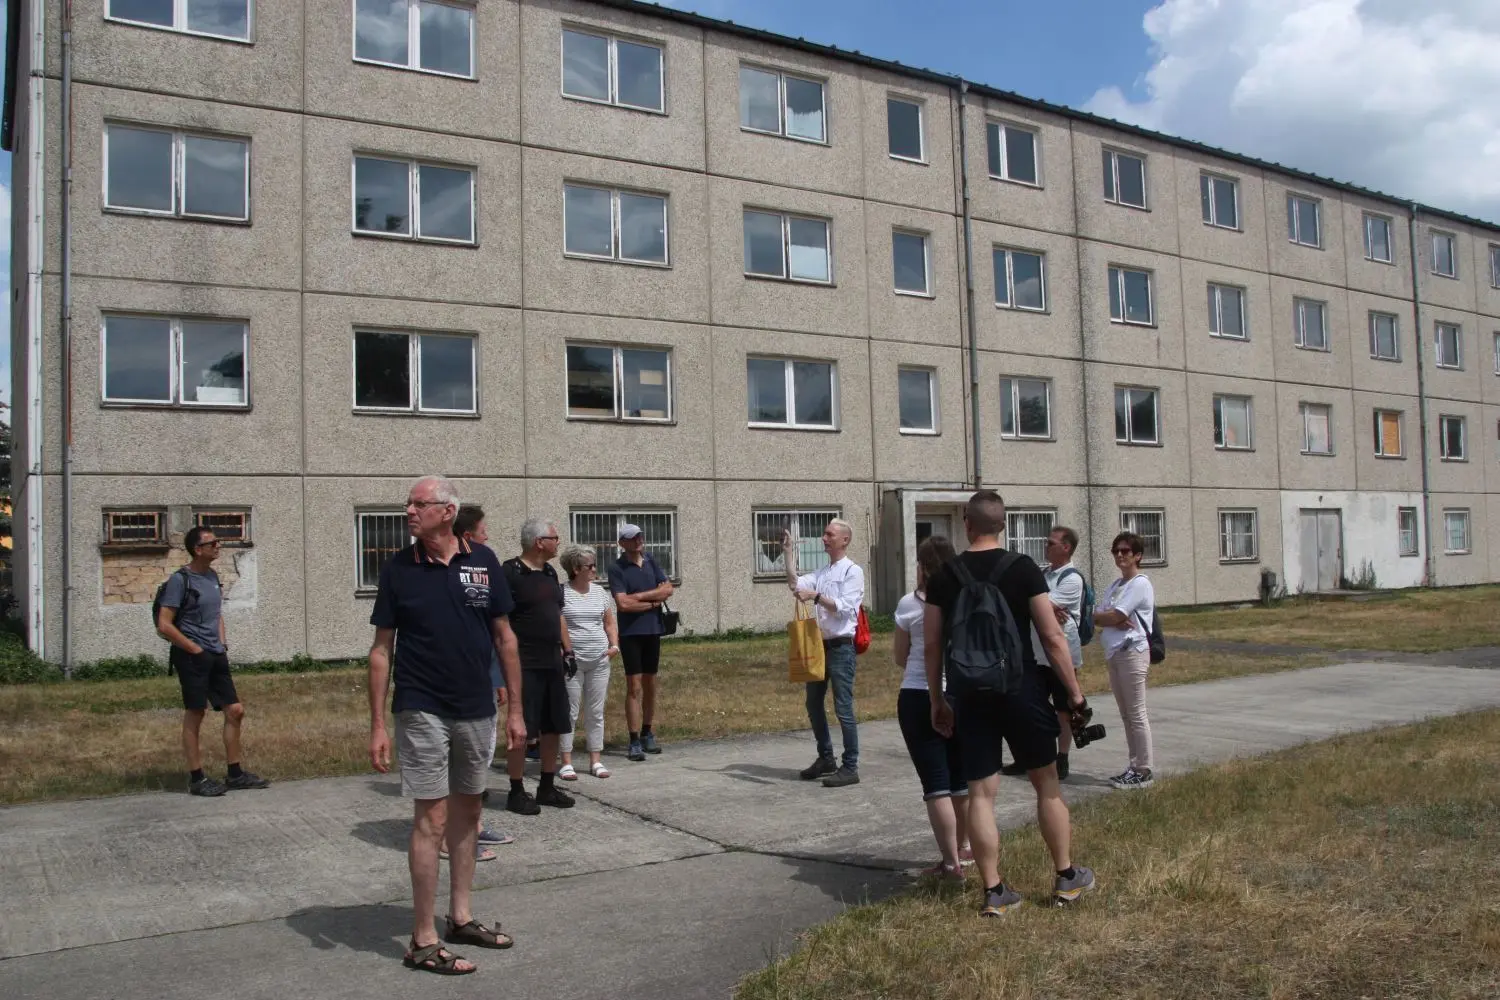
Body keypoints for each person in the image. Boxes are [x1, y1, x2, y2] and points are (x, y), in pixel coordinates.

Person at [367, 475, 527, 976]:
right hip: (422, 705)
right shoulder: (399, 568)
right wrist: (377, 724)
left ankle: (460, 918)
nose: (409, 511)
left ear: (448, 511)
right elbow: (381, 650)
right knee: (431, 818)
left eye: (419, 503)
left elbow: (505, 638)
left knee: (469, 813)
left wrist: (516, 710)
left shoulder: (484, 561)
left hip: (476, 705)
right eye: (408, 504)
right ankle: (422, 939)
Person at [923, 490, 1096, 915]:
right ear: (1003, 525)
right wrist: (1074, 693)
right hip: (1021, 687)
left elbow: (931, 644)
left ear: (967, 523)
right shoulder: (1022, 569)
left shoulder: (945, 575)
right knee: (1046, 783)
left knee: (981, 794)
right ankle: (1066, 877)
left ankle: (995, 891)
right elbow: (1052, 637)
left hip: (969, 692)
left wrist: (937, 699)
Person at [156, 524, 269, 797]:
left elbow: (216, 614)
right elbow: (164, 624)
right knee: (196, 712)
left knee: (235, 710)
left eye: (218, 542)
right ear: (198, 549)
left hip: (215, 653)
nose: (218, 547)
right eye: (213, 543)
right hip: (192, 656)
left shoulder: (212, 576)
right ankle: (197, 779)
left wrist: (221, 642)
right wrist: (194, 649)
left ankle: (235, 774)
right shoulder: (180, 580)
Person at [894, 535, 970, 880]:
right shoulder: (964, 597)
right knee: (960, 778)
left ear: (922, 567)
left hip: (918, 692)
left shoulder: (910, 604)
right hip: (960, 691)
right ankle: (965, 847)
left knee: (936, 783)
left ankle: (950, 863)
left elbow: (901, 656)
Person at [451, 505, 514, 858]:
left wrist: (497, 677)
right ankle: (454, 837)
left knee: (481, 756)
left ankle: (473, 827)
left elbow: (493, 631)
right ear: (467, 536)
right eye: (483, 531)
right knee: (460, 762)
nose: (488, 536)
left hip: (483, 676)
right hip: (453, 686)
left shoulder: (484, 564)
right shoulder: (447, 572)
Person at [501, 517, 576, 814]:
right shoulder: (510, 572)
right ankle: (516, 790)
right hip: (524, 663)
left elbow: (557, 614)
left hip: (552, 661)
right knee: (522, 729)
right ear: (539, 542)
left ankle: (546, 786)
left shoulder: (549, 572)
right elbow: (500, 620)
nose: (558, 542)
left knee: (553, 725)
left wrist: (568, 651)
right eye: (554, 538)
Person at [785, 518, 865, 788]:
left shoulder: (853, 571)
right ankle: (826, 758)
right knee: (813, 703)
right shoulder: (822, 572)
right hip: (820, 646)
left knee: (843, 707)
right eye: (824, 534)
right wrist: (787, 553)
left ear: (844, 540)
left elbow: (845, 607)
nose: (824, 538)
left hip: (841, 647)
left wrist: (816, 597)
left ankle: (850, 766)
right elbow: (795, 585)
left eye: (830, 534)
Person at [1004, 525, 1086, 781]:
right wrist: (1039, 604)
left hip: (1061, 654)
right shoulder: (1043, 573)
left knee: (1063, 708)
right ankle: (1028, 755)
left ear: (1066, 547)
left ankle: (1062, 757)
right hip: (1036, 652)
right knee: (1029, 705)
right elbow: (1034, 603)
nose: (1045, 546)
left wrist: (1037, 603)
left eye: (1051, 543)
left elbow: (1036, 603)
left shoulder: (1072, 578)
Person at [1094, 531, 1157, 790]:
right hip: (1115, 653)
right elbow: (1097, 615)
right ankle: (1133, 766)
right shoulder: (1116, 585)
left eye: (1125, 551)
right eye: (1116, 551)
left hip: (1133, 652)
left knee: (1136, 713)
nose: (1120, 555)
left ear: (1137, 556)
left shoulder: (1140, 584)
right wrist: (1108, 618)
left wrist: (1112, 617)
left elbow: (1115, 615)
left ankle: (1143, 769)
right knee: (1126, 714)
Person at [608, 524, 674, 762]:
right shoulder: (616, 568)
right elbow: (623, 605)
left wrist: (639, 597)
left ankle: (647, 732)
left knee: (650, 685)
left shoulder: (650, 560)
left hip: (653, 630)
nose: (638, 540)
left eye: (639, 536)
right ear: (622, 543)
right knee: (634, 687)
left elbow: (667, 589)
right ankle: (634, 739)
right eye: (632, 538)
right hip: (631, 634)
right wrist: (653, 600)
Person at [559, 544, 620, 779]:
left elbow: (609, 622)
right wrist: (564, 651)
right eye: (590, 566)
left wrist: (614, 646)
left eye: (595, 565)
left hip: (600, 660)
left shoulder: (600, 593)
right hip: (572, 662)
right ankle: (566, 761)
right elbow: (557, 625)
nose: (595, 569)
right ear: (576, 569)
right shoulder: (562, 592)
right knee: (570, 711)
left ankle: (596, 760)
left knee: (595, 711)